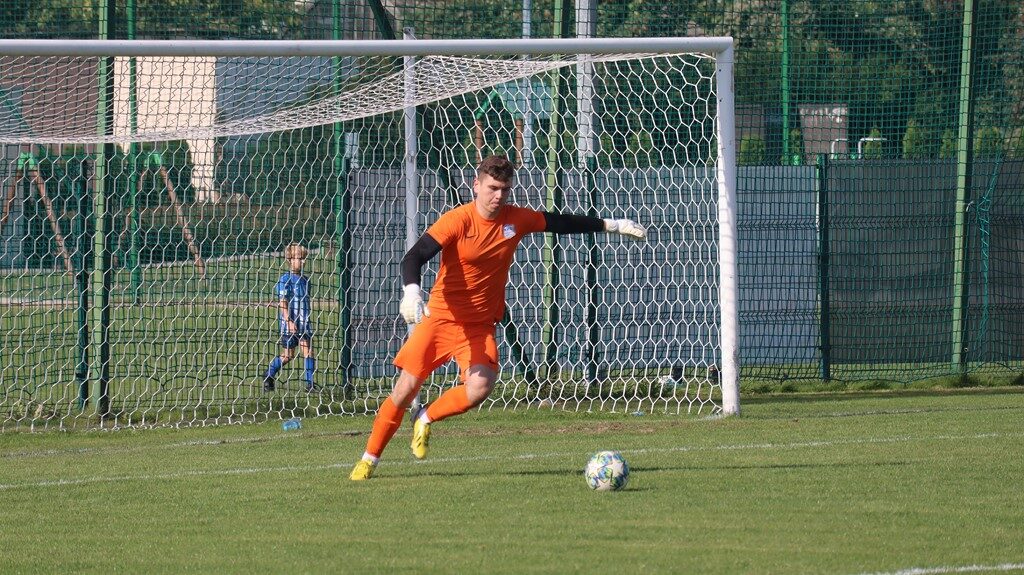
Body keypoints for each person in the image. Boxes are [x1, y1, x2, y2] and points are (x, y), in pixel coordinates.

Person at [349, 155, 646, 481]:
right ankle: (368, 460)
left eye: (504, 189)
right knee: (404, 389)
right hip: (440, 320)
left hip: (479, 326)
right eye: (492, 188)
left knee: (480, 387)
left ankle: (425, 417)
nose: (498, 195)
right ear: (476, 185)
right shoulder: (457, 220)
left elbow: (559, 223)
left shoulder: (515, 219)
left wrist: (611, 225)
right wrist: (411, 291)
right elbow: (414, 256)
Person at [263, 242, 318, 393]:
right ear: (289, 259)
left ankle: (310, 385)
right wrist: (288, 321)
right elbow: (283, 302)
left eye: (304, 258)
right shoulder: (285, 279)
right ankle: (269, 374)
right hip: (289, 325)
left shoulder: (306, 280)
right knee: (288, 355)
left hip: (304, 323)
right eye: (299, 258)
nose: (303, 261)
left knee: (309, 352)